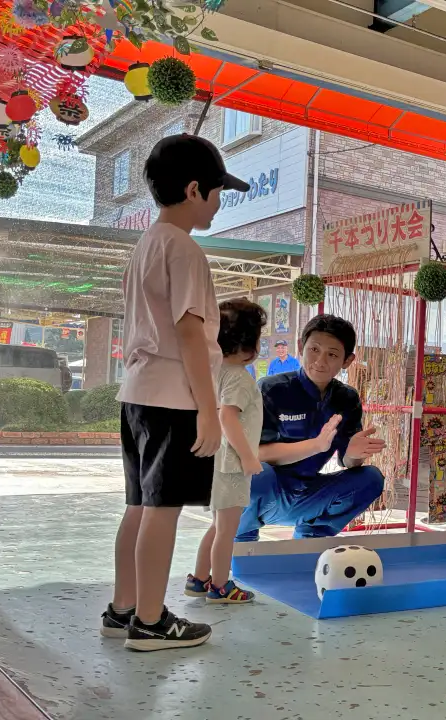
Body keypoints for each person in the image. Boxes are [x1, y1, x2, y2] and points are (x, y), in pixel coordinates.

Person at [102, 134, 250, 652]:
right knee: (161, 509)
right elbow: (190, 332)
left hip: (139, 392)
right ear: (194, 190)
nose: (218, 201)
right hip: (172, 396)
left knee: (140, 505)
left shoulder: (146, 245)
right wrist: (208, 412)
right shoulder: (185, 249)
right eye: (217, 191)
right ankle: (149, 621)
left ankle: (122, 609)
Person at [235, 315, 387, 541]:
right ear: (300, 347)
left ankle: (311, 539)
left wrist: (354, 455)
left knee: (371, 478)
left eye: (332, 354)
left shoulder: (347, 398)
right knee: (254, 474)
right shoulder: (271, 389)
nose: (320, 361)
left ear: (347, 360)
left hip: (308, 493)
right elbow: (254, 454)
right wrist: (315, 446)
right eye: (314, 349)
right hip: (266, 492)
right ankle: (241, 539)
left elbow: (348, 461)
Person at [185, 298, 271, 604]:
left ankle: (199, 578)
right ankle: (220, 585)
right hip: (233, 464)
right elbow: (227, 415)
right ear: (250, 346)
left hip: (217, 460)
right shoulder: (239, 378)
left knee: (218, 525)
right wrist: (249, 456)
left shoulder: (216, 371)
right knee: (227, 530)